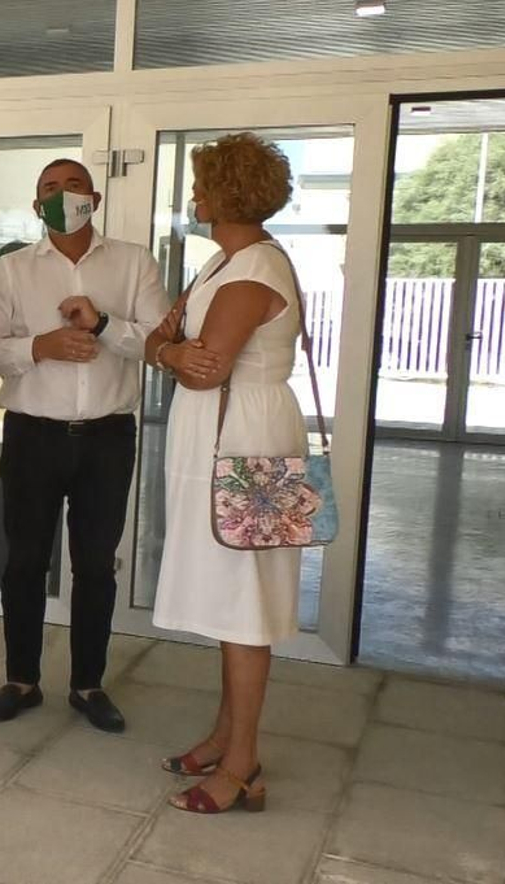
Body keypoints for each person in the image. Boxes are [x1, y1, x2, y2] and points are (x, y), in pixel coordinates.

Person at [0, 159, 168, 733]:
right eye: (50, 189)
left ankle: (88, 684)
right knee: (24, 561)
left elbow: (159, 342)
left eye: (73, 186)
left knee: (95, 566)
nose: (63, 196)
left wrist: (105, 324)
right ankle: (21, 679)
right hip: (33, 434)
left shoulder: (134, 263)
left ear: (96, 198)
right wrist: (41, 346)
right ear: (37, 207)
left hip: (107, 437)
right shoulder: (10, 271)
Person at [146, 132, 305, 814]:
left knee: (246, 606)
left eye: (203, 183)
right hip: (225, 439)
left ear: (229, 192)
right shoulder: (221, 264)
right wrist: (171, 349)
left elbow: (203, 361)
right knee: (228, 597)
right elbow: (167, 341)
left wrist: (172, 349)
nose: (195, 194)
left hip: (250, 447)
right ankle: (222, 735)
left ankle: (242, 764)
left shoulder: (254, 271)